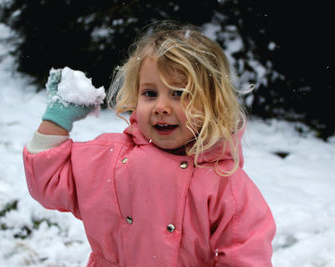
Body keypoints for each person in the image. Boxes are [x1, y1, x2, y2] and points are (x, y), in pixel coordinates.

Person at [23, 21, 276, 266]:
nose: (161, 107)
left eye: (179, 94)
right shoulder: (110, 159)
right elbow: (49, 181)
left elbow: (246, 256)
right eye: (150, 93)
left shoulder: (224, 183)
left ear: (212, 103)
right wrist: (57, 119)